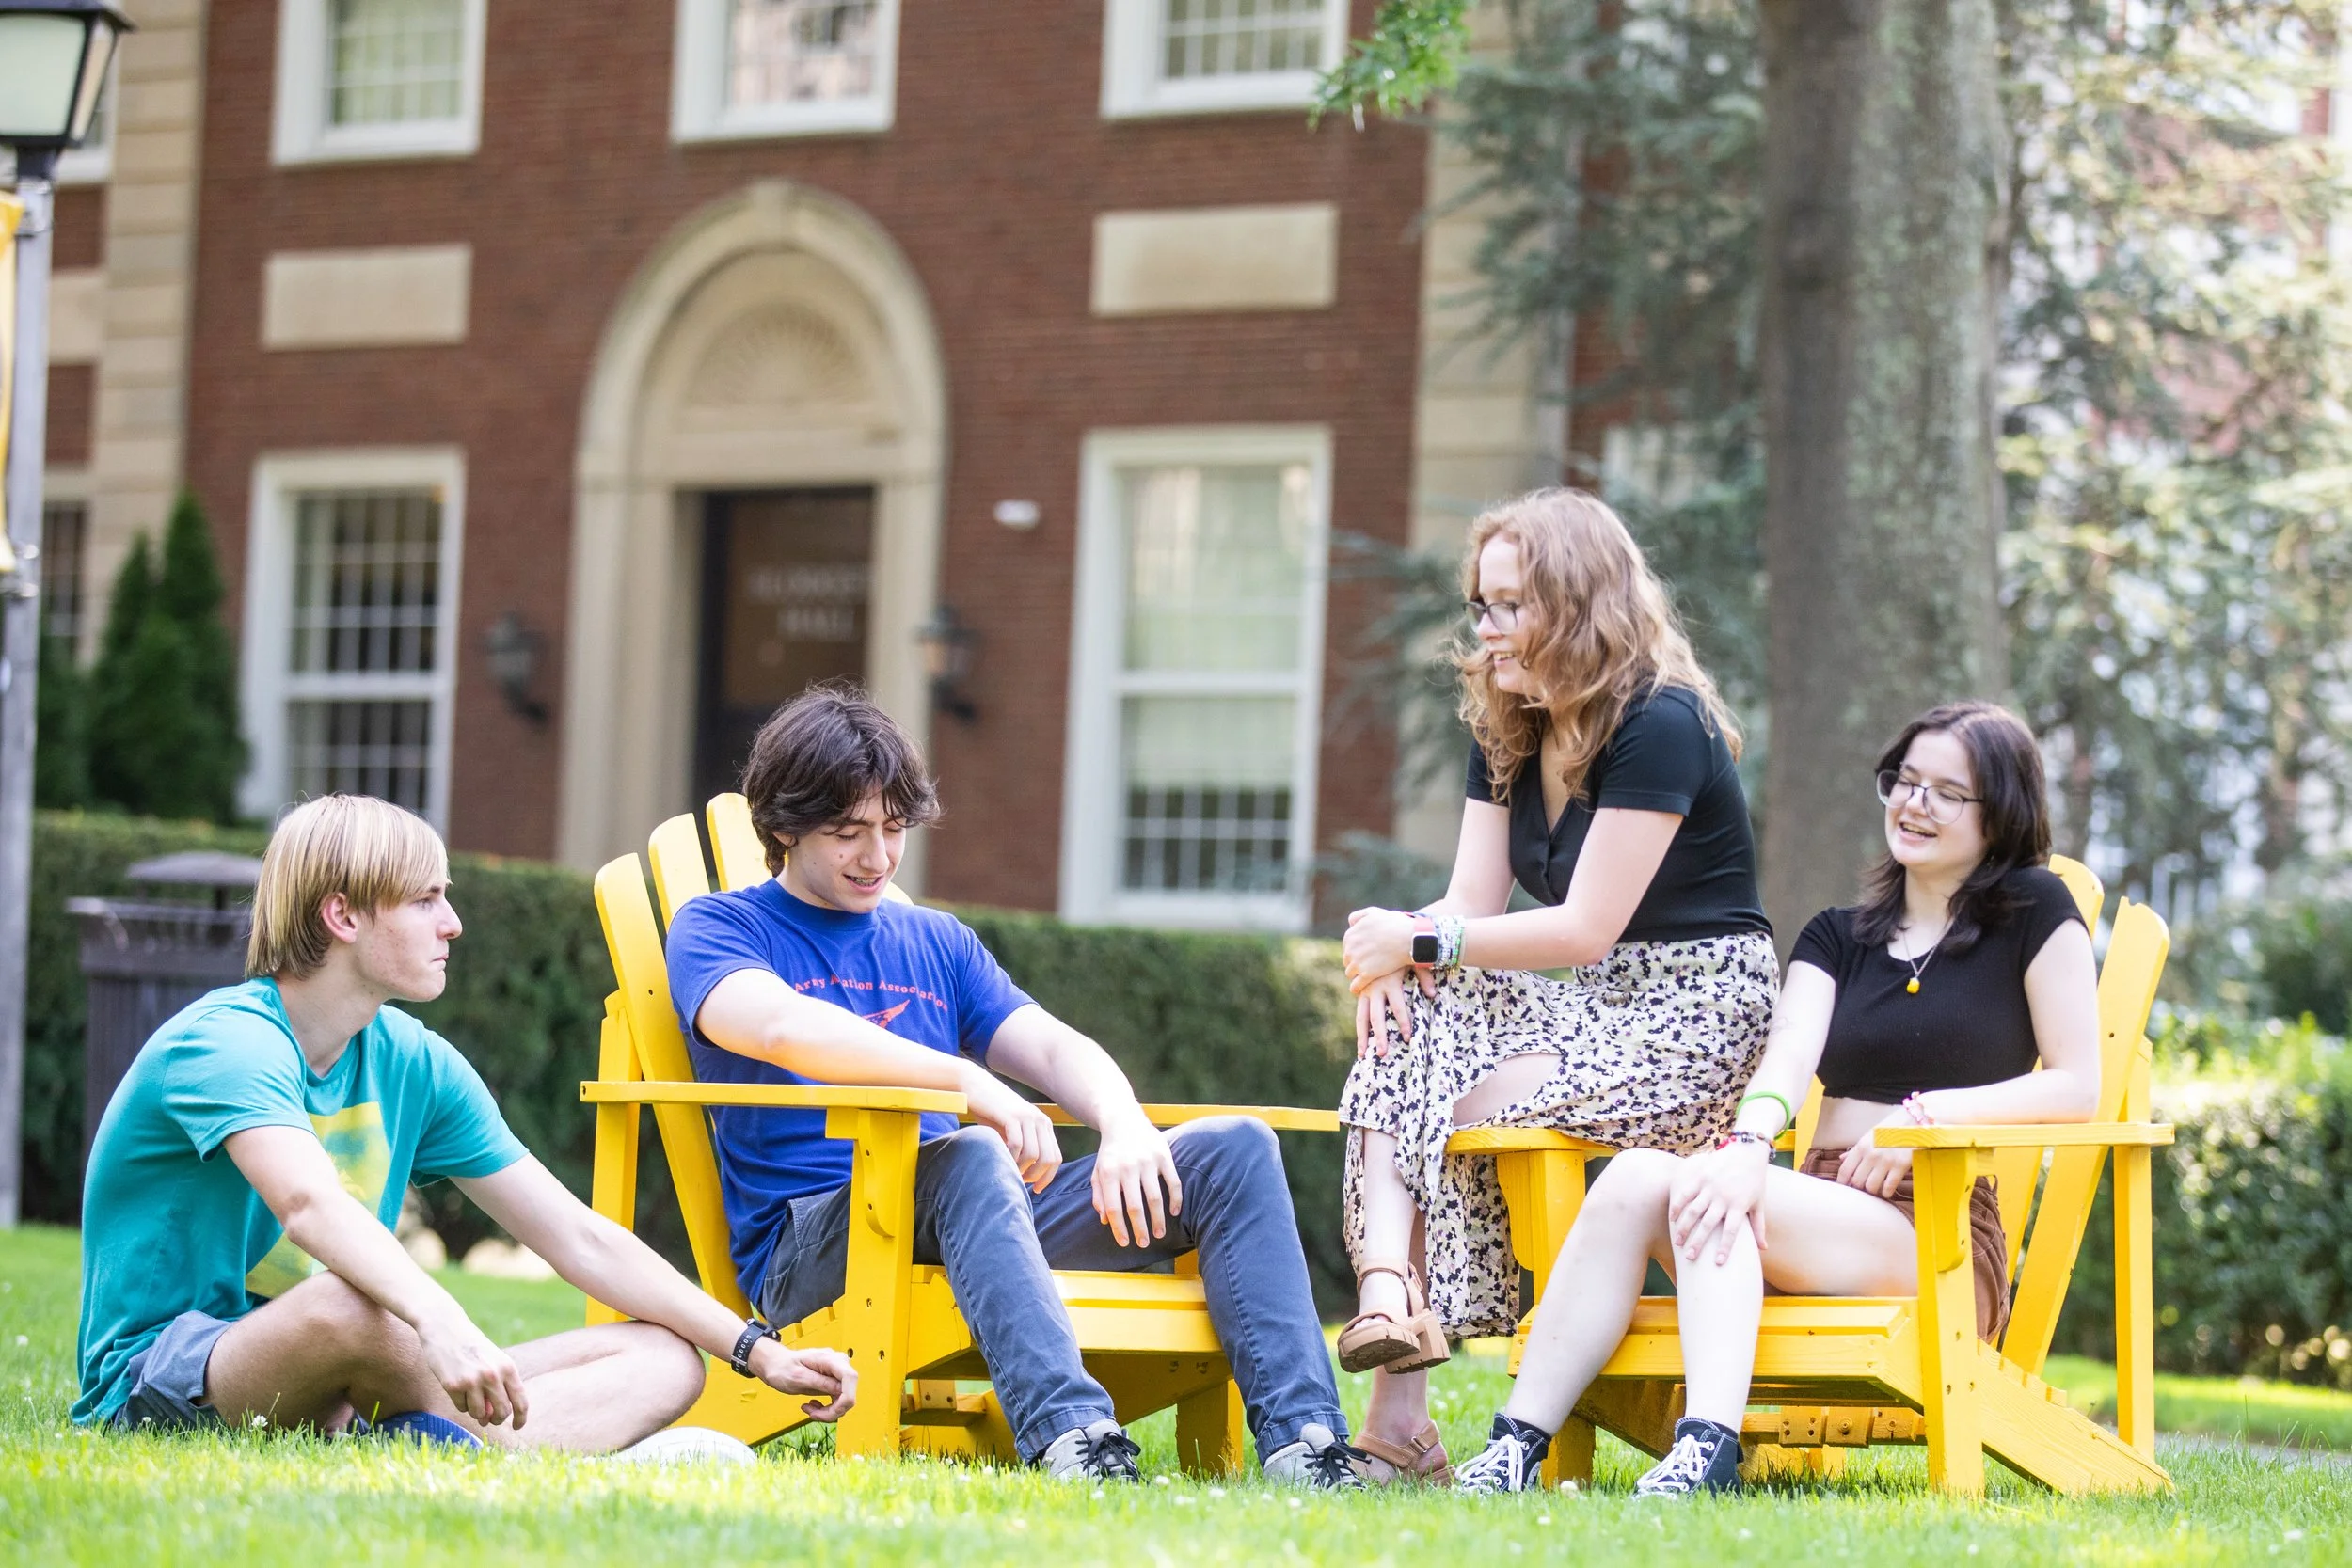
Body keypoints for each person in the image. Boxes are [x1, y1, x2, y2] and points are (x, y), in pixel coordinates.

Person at [664, 685, 1361, 1488]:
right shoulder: (720, 927)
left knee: (1233, 1149)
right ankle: (1076, 1441)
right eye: (847, 832)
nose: (878, 857)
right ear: (782, 826)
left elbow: (1055, 1047)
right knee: (969, 1154)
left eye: (893, 829)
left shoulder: (934, 939)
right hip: (818, 1247)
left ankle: (1305, 1444)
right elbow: (783, 1029)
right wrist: (967, 1082)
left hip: (980, 1212)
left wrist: (1124, 1122)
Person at [1450, 700, 2102, 1496]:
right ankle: (1516, 1445)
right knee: (1634, 1179)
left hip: (1935, 1224)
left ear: (2000, 813)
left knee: (1704, 1187)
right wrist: (1750, 1144)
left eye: (1946, 792)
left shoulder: (2036, 913)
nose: (1913, 803)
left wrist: (1922, 1120)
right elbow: (1787, 1055)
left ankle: (1705, 1450)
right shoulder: (1839, 934)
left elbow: (2078, 1084)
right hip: (1809, 1202)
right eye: (1904, 780)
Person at [73, 794, 857, 1449]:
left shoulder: (412, 1058)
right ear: (342, 914)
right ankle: (523, 1453)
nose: (452, 923)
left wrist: (754, 1350)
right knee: (354, 1303)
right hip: (170, 1375)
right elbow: (308, 1205)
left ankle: (433, 1441)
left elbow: (576, 1236)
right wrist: (439, 1322)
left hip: (360, 1366)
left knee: (668, 1357)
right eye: (425, 900)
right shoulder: (228, 1041)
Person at [1334, 487, 1776, 1485]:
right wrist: (1399, 958)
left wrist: (1412, 941)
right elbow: (1470, 901)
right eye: (1479, 606)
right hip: (1585, 996)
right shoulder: (1505, 722)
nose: (1485, 630)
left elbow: (1584, 924)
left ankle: (1399, 1408)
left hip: (1695, 1007)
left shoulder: (1662, 720)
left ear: (1574, 605)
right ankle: (1386, 1293)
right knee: (1407, 1028)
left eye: (1507, 606)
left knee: (1440, 1069)